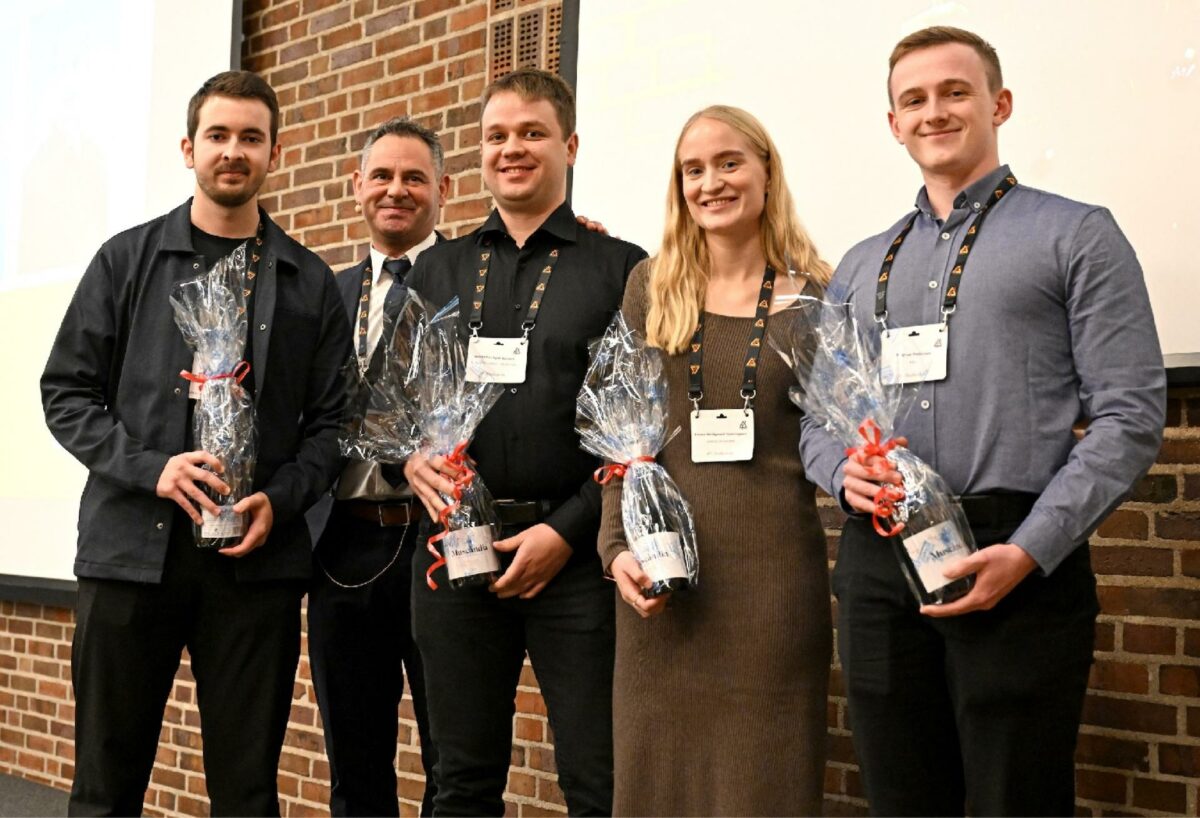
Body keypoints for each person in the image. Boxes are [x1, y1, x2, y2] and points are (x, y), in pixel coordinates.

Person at [798, 26, 1165, 816]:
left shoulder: (1077, 234)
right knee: (900, 797)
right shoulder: (860, 265)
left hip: (1017, 554)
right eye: (914, 100)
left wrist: (1030, 551)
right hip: (879, 557)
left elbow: (1130, 417)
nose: (934, 112)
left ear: (998, 103)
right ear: (893, 123)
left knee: (1015, 799)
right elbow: (817, 423)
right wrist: (840, 471)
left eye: (954, 92)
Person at [40, 71, 352, 816]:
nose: (233, 152)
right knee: (104, 788)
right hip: (129, 558)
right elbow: (65, 393)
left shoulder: (309, 282)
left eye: (250, 137)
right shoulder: (126, 260)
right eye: (218, 135)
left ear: (277, 150)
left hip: (254, 569)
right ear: (189, 147)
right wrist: (153, 470)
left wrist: (279, 501)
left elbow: (334, 426)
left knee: (247, 792)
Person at [402, 68, 646, 816]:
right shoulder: (436, 267)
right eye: (496, 135)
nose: (513, 148)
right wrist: (409, 456)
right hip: (453, 549)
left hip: (577, 562)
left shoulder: (622, 268)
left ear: (569, 145)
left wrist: (566, 533)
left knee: (597, 782)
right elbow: (398, 403)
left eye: (532, 133)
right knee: (460, 781)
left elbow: (640, 432)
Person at [597, 105, 833, 816]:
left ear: (766, 169)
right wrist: (615, 548)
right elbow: (621, 438)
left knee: (764, 787)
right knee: (655, 787)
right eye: (692, 169)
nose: (711, 182)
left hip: (771, 587)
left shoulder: (817, 295)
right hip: (661, 584)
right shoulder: (651, 286)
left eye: (729, 162)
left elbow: (836, 434)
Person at [305, 117, 449, 817]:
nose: (397, 190)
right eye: (383, 176)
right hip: (340, 545)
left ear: (443, 190)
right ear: (356, 187)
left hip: (436, 543)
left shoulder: (471, 279)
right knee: (354, 767)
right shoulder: (321, 293)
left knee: (452, 761)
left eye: (414, 177)